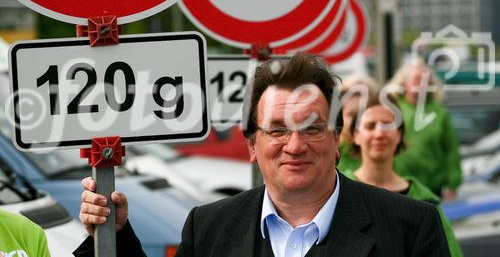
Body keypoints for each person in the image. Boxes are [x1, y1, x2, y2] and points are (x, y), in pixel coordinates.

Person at [74, 53, 451, 256]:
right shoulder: (207, 228)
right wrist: (115, 235)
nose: (295, 145)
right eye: (277, 130)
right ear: (252, 144)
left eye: (312, 128)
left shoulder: (411, 228)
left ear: (337, 139)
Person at [342, 94, 463, 256]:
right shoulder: (339, 193)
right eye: (371, 126)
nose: (379, 134)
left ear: (399, 134)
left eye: (387, 125)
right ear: (356, 135)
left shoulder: (423, 200)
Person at [389, 59, 462, 199]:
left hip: (431, 188)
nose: (422, 83)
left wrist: (453, 184)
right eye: (417, 79)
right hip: (396, 186)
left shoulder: (439, 113)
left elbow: (451, 150)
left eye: (426, 80)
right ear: (405, 82)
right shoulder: (393, 108)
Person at [336, 75, 378, 173]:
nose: (358, 120)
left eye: (363, 113)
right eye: (351, 114)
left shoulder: (381, 152)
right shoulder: (330, 154)